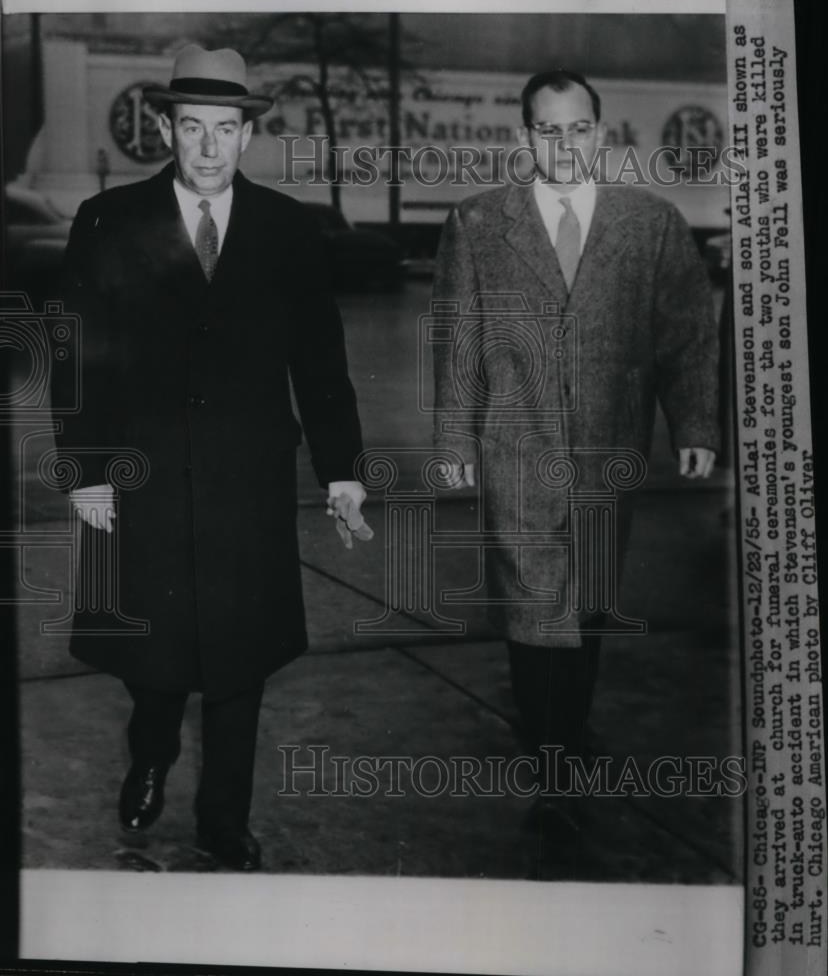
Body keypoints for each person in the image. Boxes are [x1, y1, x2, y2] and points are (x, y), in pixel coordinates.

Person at [51, 44, 370, 871]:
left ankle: (223, 819)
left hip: (246, 484)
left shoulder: (287, 231)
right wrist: (85, 468)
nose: (206, 146)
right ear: (166, 127)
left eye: (223, 129)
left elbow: (320, 361)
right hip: (143, 477)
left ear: (246, 135)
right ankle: (152, 749)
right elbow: (77, 352)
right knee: (155, 657)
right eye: (191, 126)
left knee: (240, 660)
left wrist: (342, 471)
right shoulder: (108, 220)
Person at [432, 69, 720, 849]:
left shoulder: (650, 224)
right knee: (534, 611)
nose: (564, 144)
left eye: (578, 128)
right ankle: (554, 772)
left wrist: (695, 424)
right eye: (547, 130)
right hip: (515, 449)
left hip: (607, 453)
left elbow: (686, 333)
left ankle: (570, 724)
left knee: (586, 602)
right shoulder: (478, 223)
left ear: (601, 132)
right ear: (525, 138)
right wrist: (455, 441)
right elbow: (459, 341)